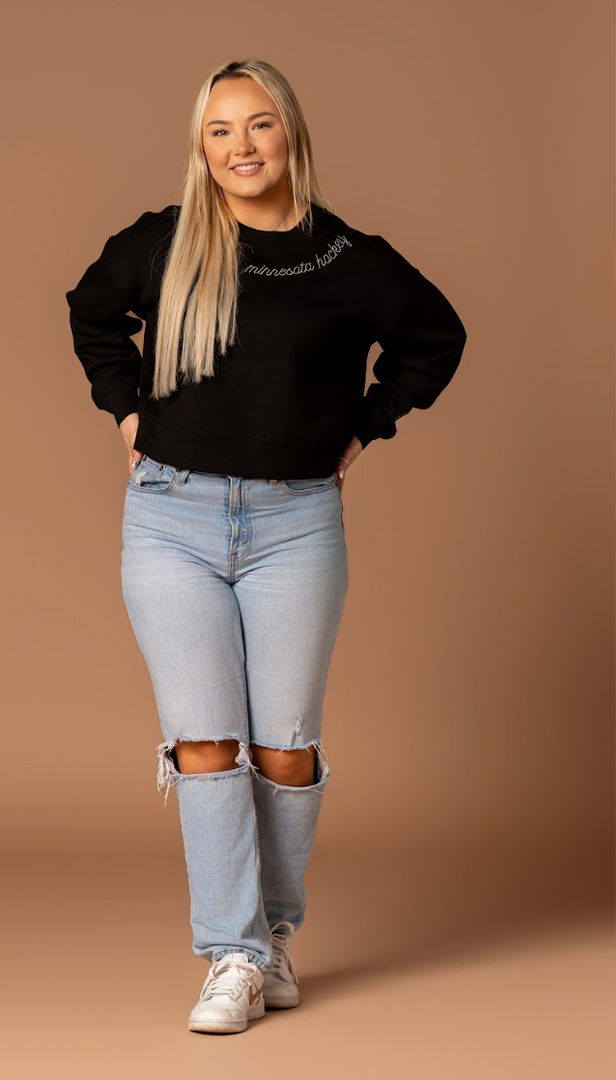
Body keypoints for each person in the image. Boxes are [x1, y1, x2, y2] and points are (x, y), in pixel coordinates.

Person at [65, 58, 467, 1035]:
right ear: (201, 147)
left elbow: (435, 338)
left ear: (291, 133)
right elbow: (89, 313)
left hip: (295, 524)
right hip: (171, 516)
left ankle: (276, 937)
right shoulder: (165, 242)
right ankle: (234, 957)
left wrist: (367, 426)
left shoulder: (349, 259)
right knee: (206, 744)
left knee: (284, 749)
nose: (240, 149)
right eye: (218, 131)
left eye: (258, 127)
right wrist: (124, 414)